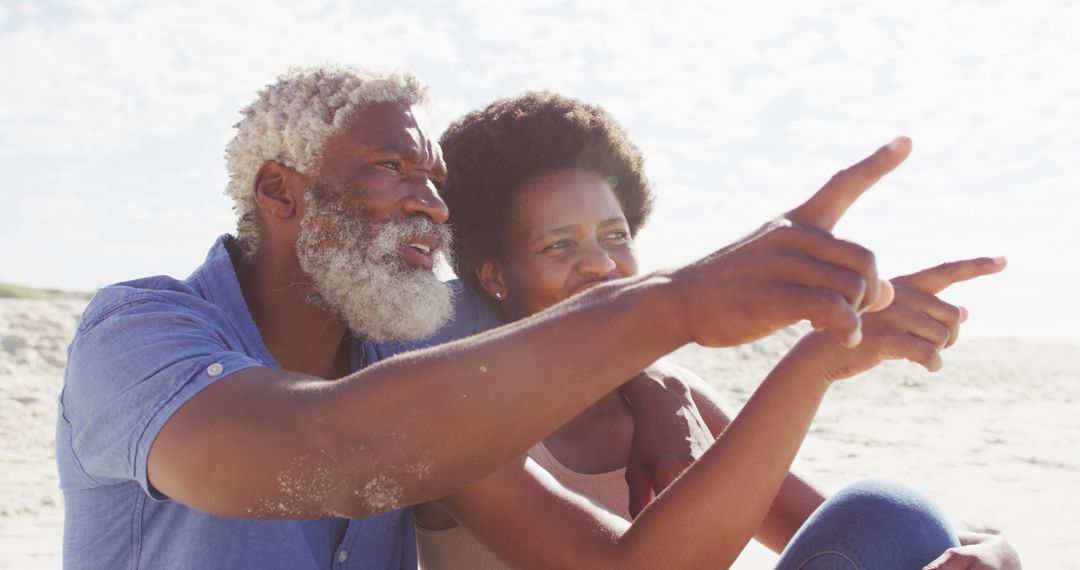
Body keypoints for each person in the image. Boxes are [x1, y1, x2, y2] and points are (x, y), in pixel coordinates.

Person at [58, 65, 948, 568]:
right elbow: (330, 451)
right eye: (393, 168)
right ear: (278, 191)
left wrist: (813, 360)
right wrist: (678, 304)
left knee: (892, 520)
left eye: (437, 182)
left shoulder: (406, 359)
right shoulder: (139, 335)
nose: (431, 204)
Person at [396, 92, 1020, 569]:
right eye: (559, 245)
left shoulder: (674, 395)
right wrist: (815, 363)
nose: (601, 263)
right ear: (494, 275)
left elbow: (880, 532)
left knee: (888, 511)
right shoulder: (465, 422)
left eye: (616, 236)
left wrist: (998, 555)